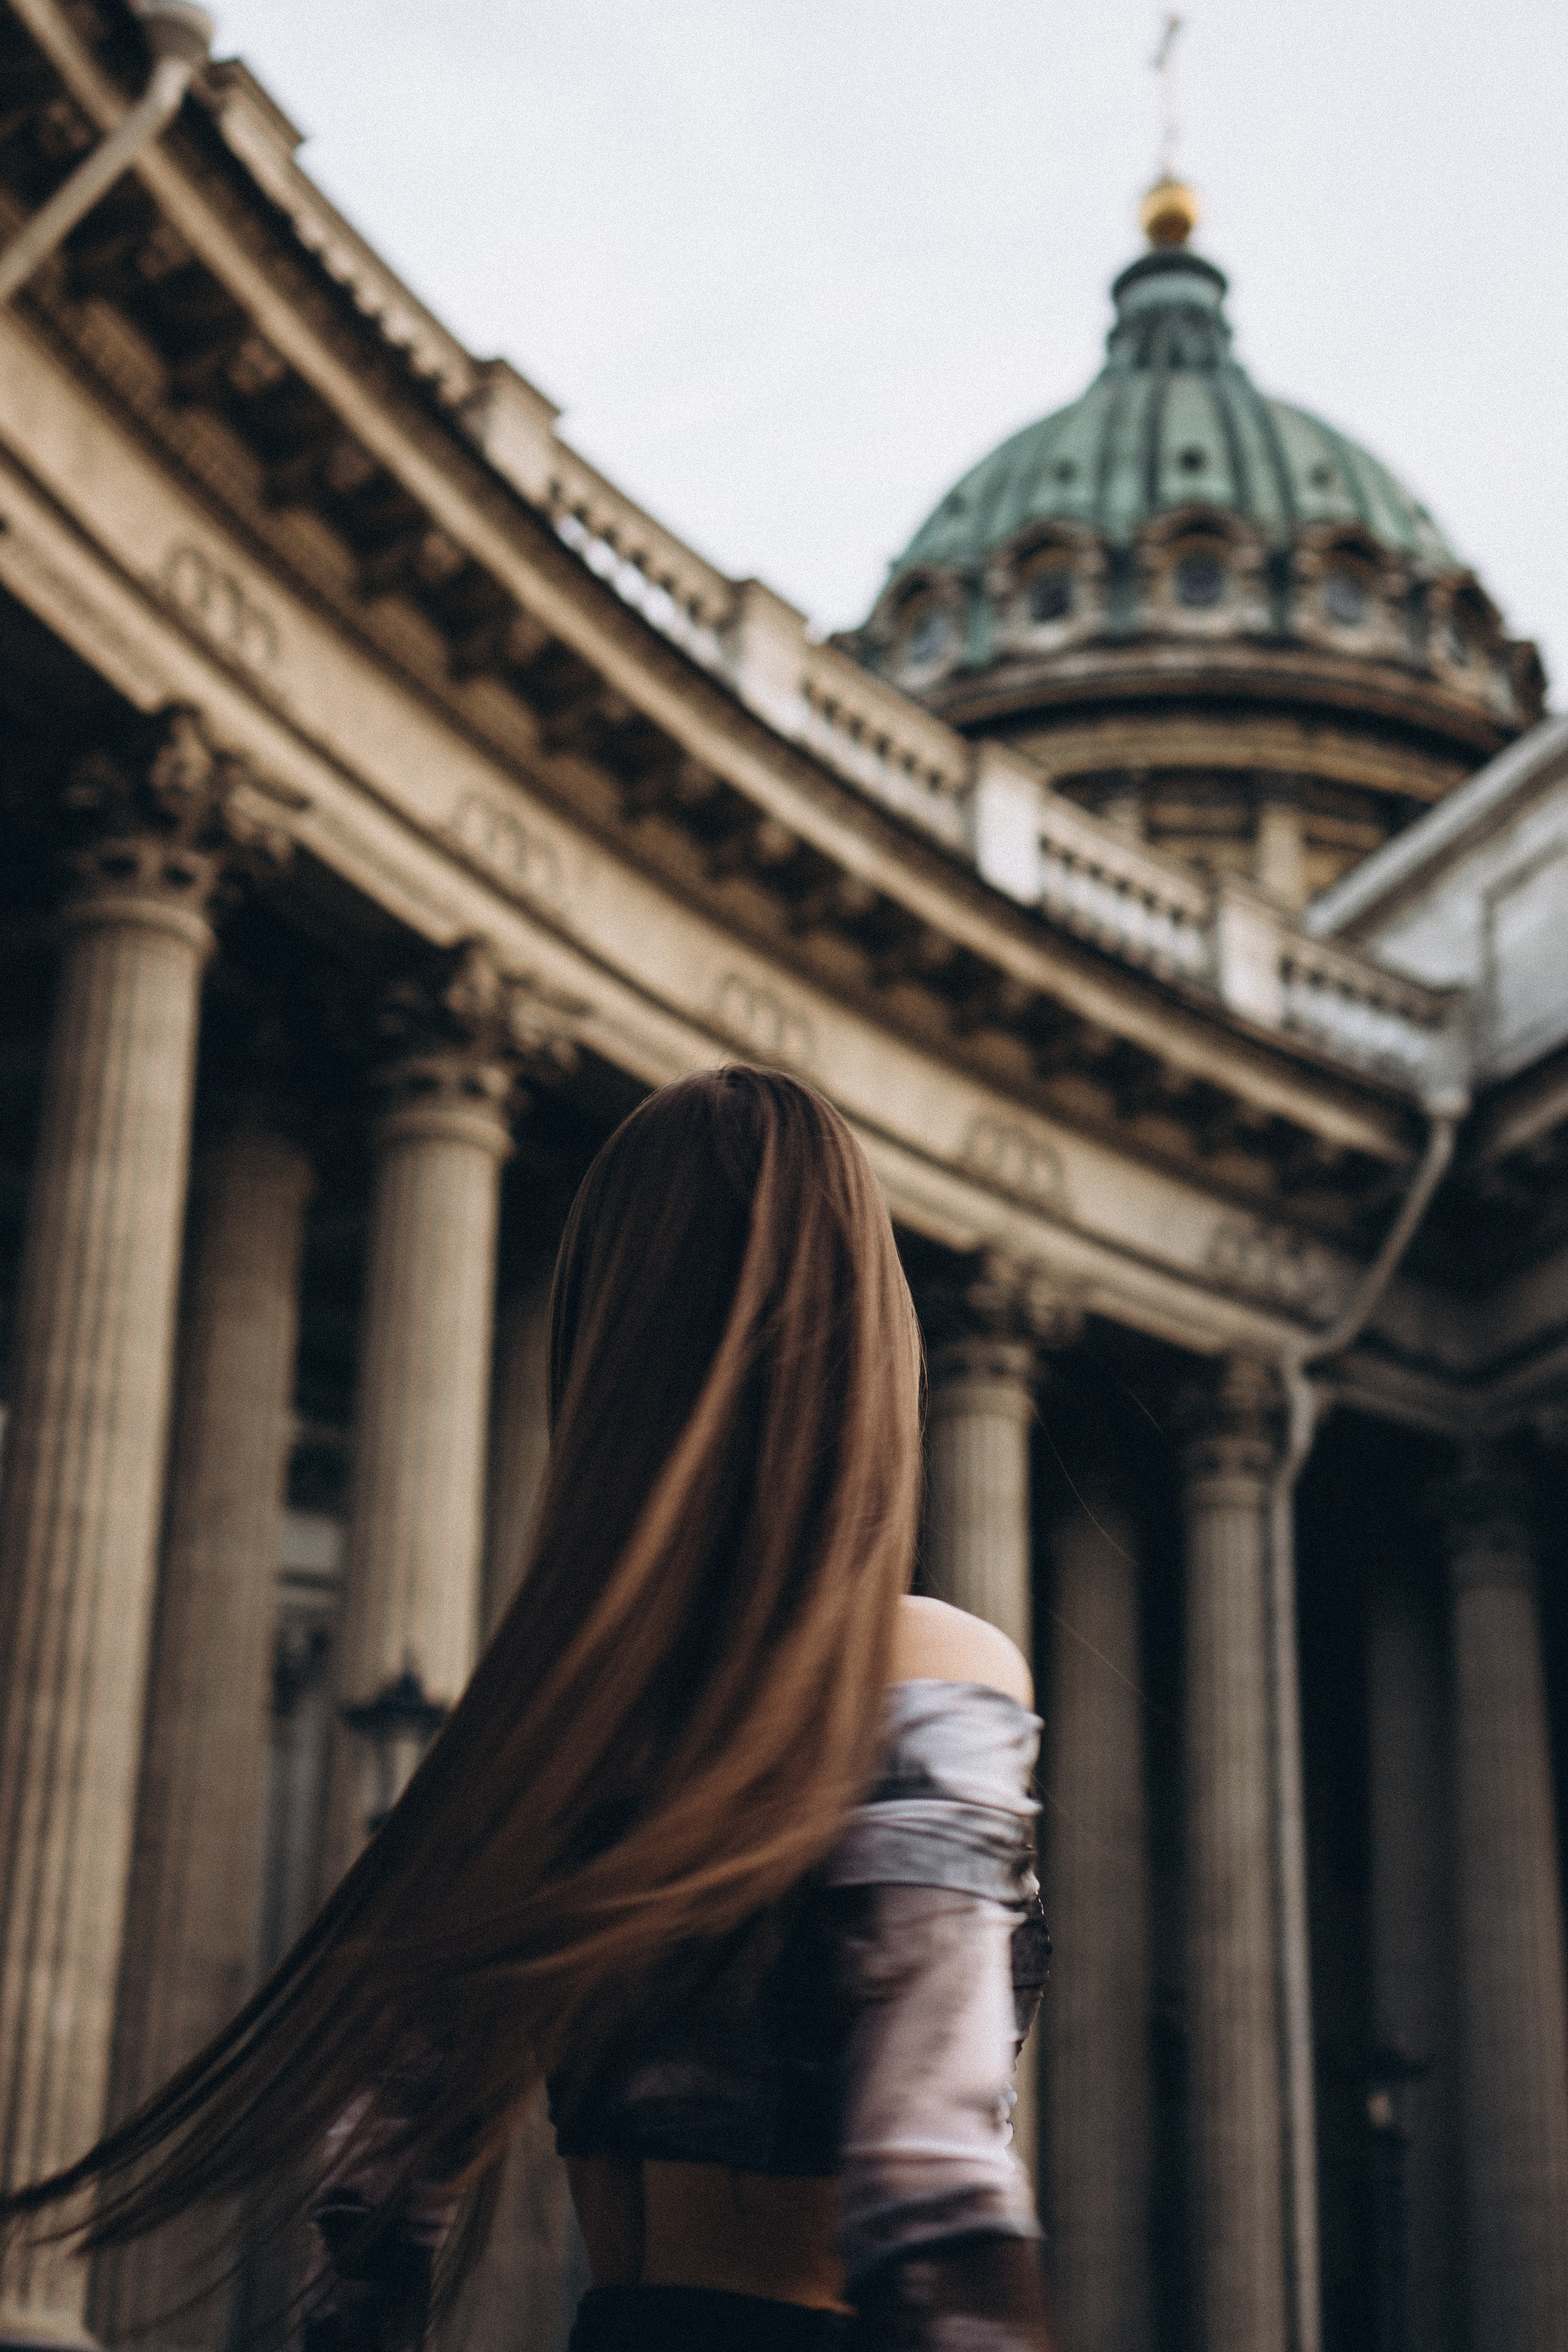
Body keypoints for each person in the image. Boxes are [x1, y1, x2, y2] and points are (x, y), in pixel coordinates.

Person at [0, 1066, 1054, 2349]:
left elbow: (370, 2226)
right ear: (859, 1333)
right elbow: (930, 2186)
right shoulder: (926, 1665)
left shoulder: (542, 1732)